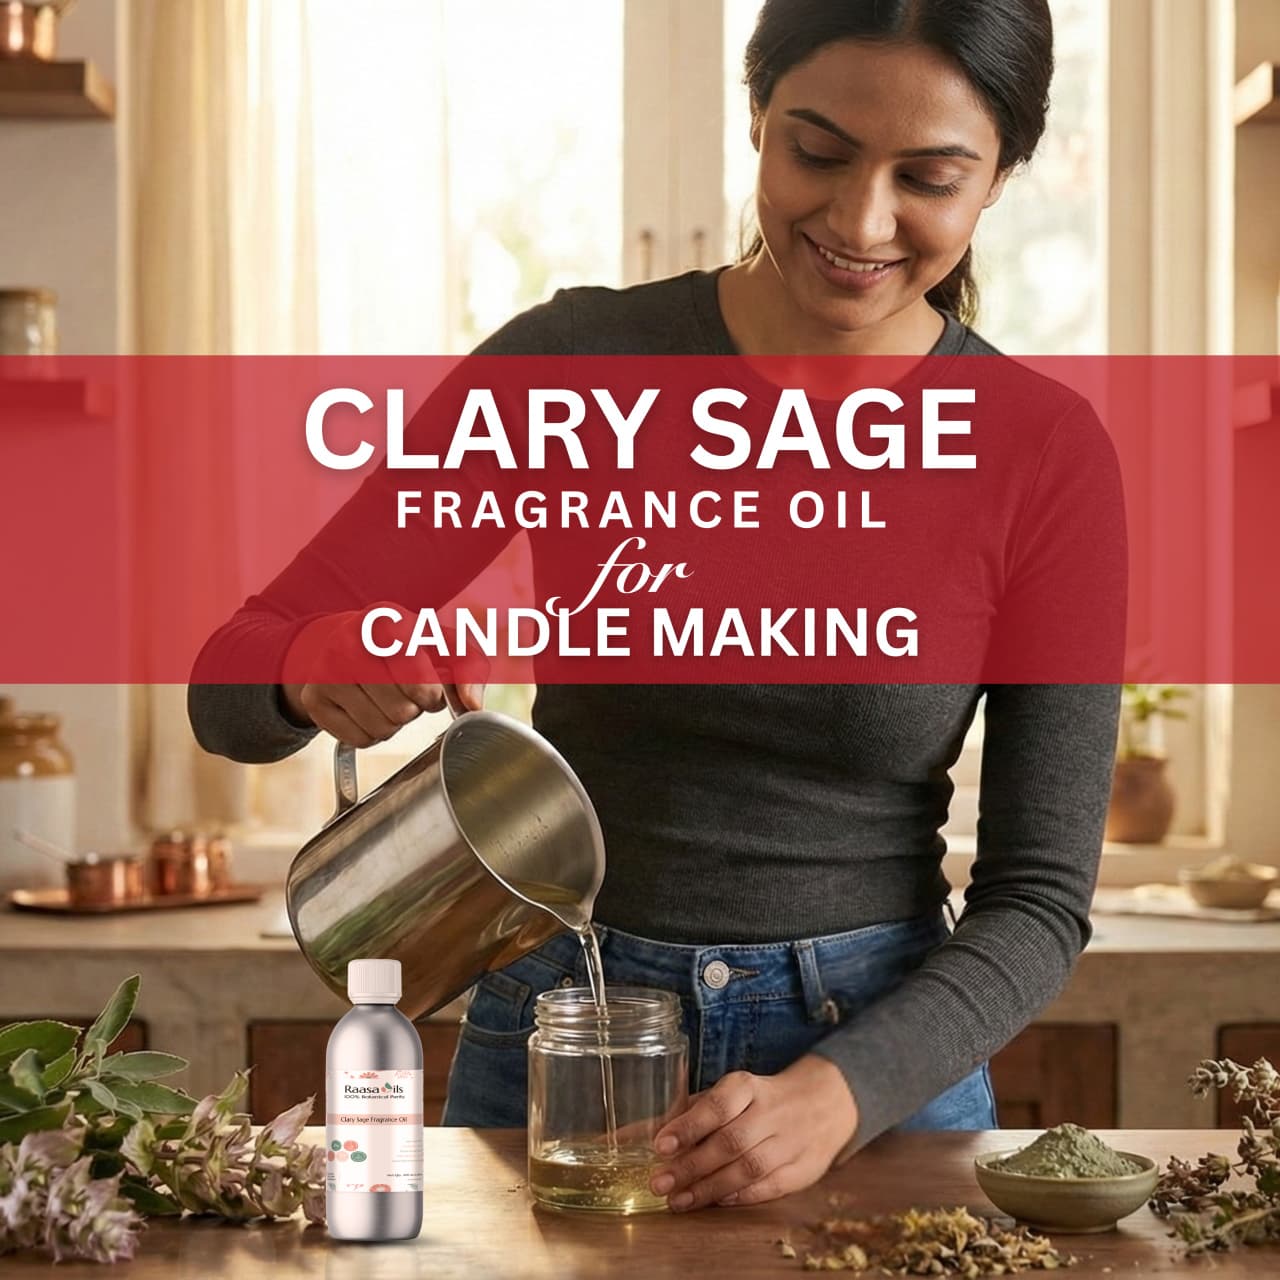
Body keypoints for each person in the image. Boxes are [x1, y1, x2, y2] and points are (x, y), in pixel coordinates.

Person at [189, 0, 1125, 1214]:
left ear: (1000, 176)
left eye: (927, 177)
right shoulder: (573, 365)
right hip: (562, 1036)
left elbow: (1037, 900)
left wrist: (842, 1087)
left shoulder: (1038, 451)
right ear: (755, 117)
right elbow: (230, 679)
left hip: (873, 1067)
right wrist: (308, 663)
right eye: (817, 152)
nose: (856, 220)